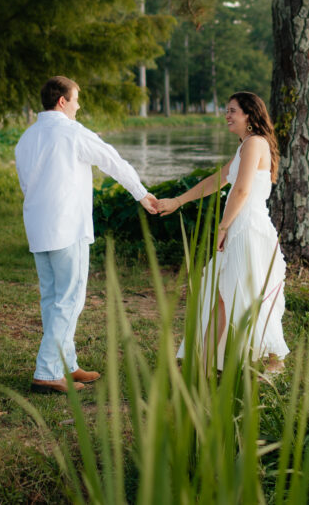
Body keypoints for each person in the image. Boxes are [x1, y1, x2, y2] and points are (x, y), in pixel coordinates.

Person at [15, 76, 158, 393]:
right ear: (62, 101)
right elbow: (112, 160)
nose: (79, 106)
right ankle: (48, 371)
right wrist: (141, 193)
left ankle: (66, 363)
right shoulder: (72, 132)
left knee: (53, 298)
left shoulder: (27, 137)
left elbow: (27, 183)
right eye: (76, 100)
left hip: (39, 227)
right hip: (67, 228)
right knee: (69, 300)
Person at [155, 91, 289, 371]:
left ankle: (269, 361)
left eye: (232, 111)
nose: (226, 115)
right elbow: (218, 180)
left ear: (249, 116)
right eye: (227, 110)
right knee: (227, 294)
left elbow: (241, 191)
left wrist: (223, 227)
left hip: (247, 228)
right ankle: (204, 363)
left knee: (240, 294)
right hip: (244, 225)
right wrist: (178, 201)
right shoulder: (245, 146)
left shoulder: (254, 143)